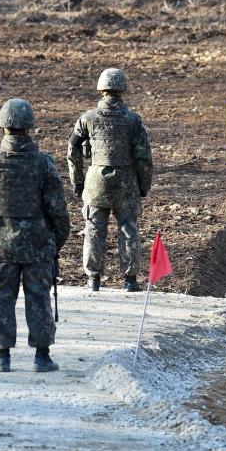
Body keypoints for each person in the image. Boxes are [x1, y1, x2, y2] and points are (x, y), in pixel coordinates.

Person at [0, 98, 70, 374]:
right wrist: (55, 242)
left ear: (3, 126)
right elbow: (58, 209)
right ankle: (42, 356)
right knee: (39, 298)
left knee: (3, 297)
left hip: (1, 245)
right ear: (30, 127)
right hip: (38, 244)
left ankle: (2, 356)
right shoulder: (44, 163)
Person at [68, 68, 152, 292]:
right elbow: (143, 156)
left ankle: (93, 279)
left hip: (96, 184)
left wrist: (77, 182)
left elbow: (72, 148)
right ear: (122, 90)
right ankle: (130, 281)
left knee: (94, 229)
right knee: (128, 229)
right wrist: (143, 186)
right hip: (126, 184)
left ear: (101, 89)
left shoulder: (87, 118)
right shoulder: (133, 120)